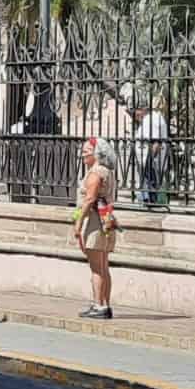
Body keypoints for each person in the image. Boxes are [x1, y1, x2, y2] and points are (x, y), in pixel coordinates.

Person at [72, 136, 119, 319]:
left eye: (86, 152)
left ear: (96, 154)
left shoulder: (95, 173)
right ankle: (105, 304)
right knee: (104, 265)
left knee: (96, 267)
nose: (83, 155)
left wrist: (78, 222)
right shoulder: (107, 171)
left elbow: (89, 199)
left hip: (95, 222)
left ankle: (98, 304)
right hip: (107, 219)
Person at [134, 94, 170, 205]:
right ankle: (149, 201)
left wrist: (149, 160)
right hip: (149, 159)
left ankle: (151, 203)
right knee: (150, 185)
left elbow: (156, 142)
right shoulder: (154, 118)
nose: (135, 114)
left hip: (150, 160)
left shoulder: (153, 118)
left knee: (151, 185)